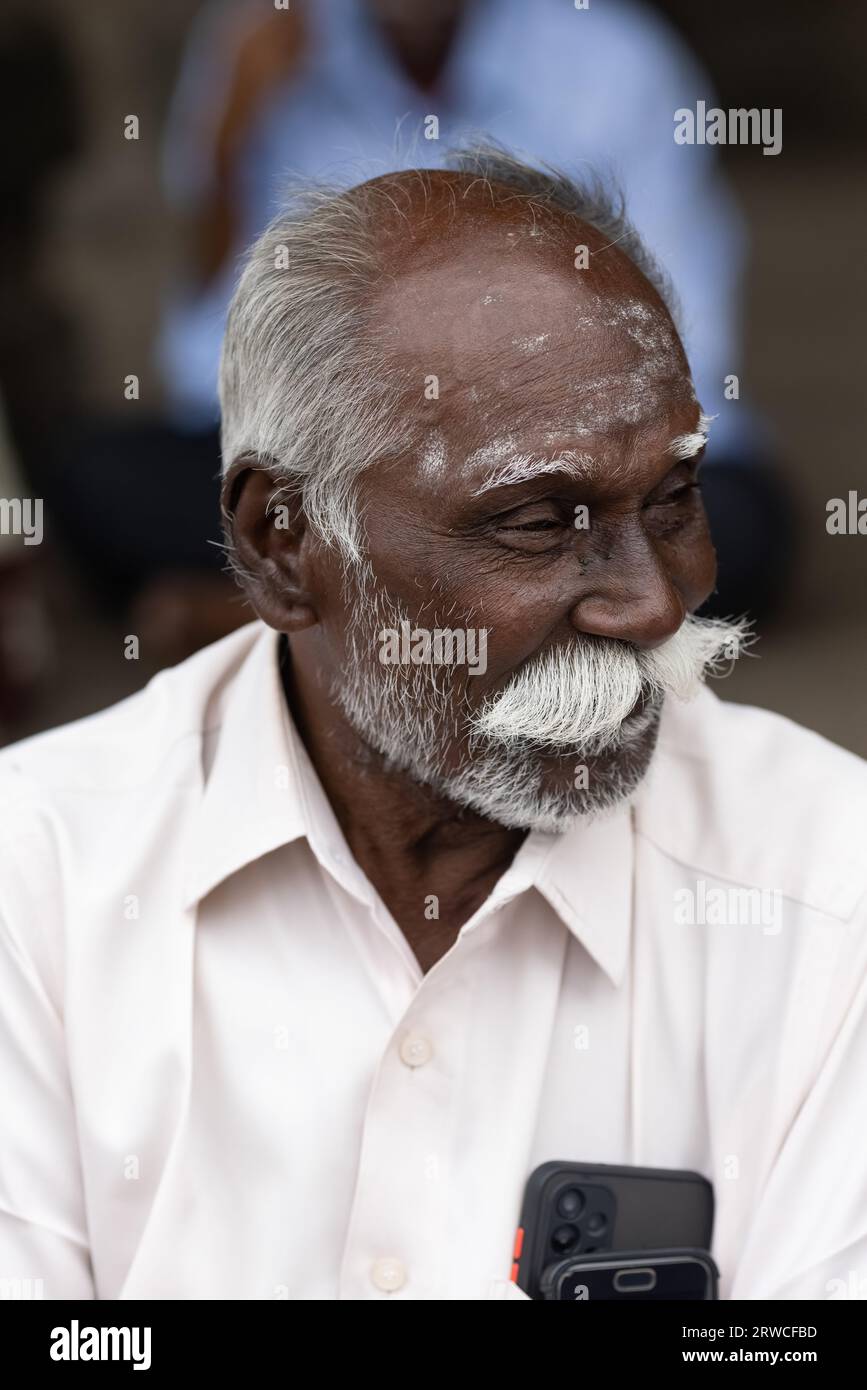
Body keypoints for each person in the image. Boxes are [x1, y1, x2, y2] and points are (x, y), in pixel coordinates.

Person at [0, 151, 861, 1301]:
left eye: (674, 499)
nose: (654, 602)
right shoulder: (37, 888)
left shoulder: (826, 883)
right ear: (280, 546)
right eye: (538, 522)